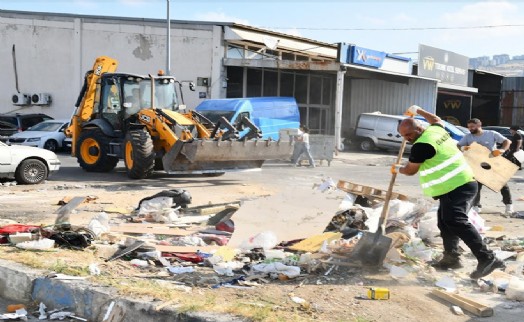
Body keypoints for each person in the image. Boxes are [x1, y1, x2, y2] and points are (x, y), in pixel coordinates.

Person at [393, 106, 504, 279]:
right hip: (455, 185)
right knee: (444, 222)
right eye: (403, 137)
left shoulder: (422, 146)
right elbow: (436, 119)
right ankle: (452, 258)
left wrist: (398, 169)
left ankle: (487, 258)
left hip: (459, 185)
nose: (407, 139)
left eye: (409, 135)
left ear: (419, 129)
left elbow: (410, 170)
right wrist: (419, 110)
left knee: (455, 220)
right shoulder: (435, 130)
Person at [457, 118, 513, 216]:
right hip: (476, 164)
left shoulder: (491, 133)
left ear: (479, 125)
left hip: (492, 163)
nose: (470, 129)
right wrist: (462, 148)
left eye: (472, 126)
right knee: (477, 186)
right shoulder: (468, 137)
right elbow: (458, 145)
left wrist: (502, 150)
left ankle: (509, 205)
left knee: (503, 185)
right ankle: (476, 206)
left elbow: (507, 141)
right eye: (469, 127)